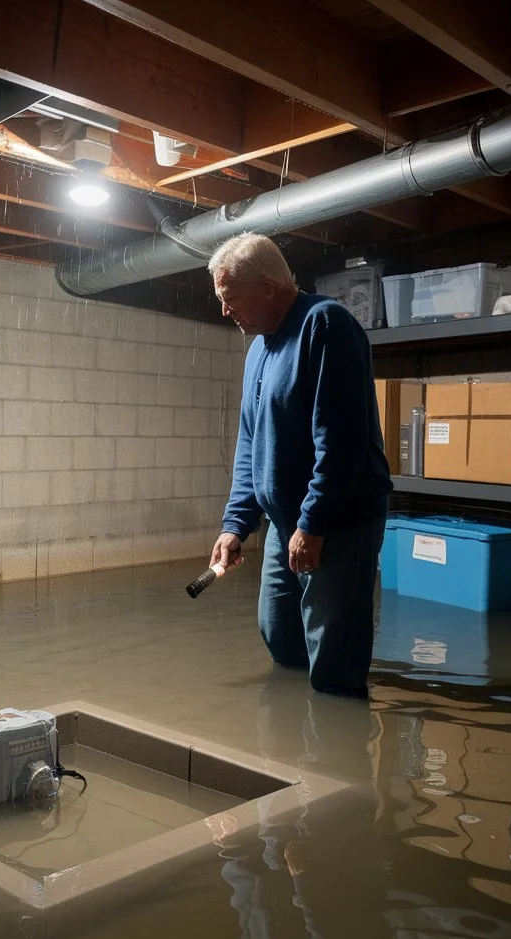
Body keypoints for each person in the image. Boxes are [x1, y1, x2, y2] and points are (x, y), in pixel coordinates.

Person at [207, 233, 392, 698]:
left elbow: (341, 439)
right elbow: (250, 444)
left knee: (334, 659)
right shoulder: (258, 350)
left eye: (230, 299)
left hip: (338, 522)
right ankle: (294, 743)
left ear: (268, 288)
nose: (225, 312)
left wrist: (313, 523)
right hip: (284, 522)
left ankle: (337, 750)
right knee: (280, 634)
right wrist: (236, 524)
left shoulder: (325, 325)